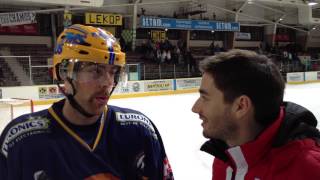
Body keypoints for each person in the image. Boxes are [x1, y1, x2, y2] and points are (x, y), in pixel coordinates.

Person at [0, 24, 173, 180]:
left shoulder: (139, 130)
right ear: (63, 73)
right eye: (95, 71)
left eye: (113, 72)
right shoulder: (19, 141)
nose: (107, 83)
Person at [192, 49, 320, 180]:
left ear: (241, 106)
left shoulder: (308, 170)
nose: (195, 108)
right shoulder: (227, 155)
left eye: (205, 98)